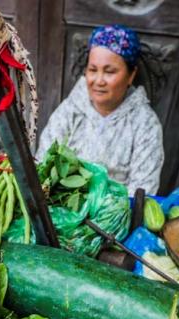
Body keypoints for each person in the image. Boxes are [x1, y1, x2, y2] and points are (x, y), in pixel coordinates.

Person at [37, 24, 164, 195]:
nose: (98, 80)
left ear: (131, 75)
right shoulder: (71, 109)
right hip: (63, 208)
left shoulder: (145, 124)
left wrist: (105, 211)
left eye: (109, 71)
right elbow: (43, 163)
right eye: (92, 70)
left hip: (113, 215)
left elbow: (143, 191)